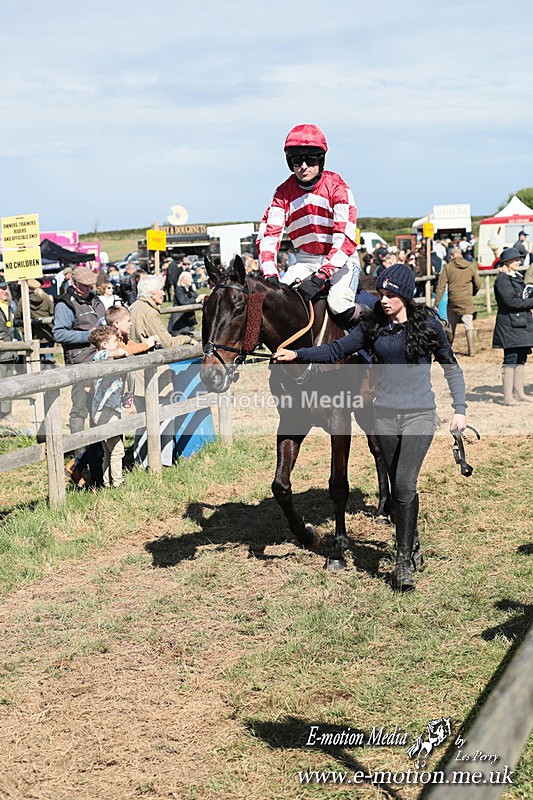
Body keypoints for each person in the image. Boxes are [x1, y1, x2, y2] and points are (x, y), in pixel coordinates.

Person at [274, 263, 467, 592]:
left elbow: (451, 366)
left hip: (419, 413)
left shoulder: (428, 325)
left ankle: (403, 561)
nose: (384, 299)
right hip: (384, 415)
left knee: (404, 485)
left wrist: (459, 410)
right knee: (396, 482)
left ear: (405, 296)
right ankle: (413, 539)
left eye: (391, 294)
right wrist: (298, 354)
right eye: (381, 293)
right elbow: (337, 349)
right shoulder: (373, 325)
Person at [256, 124, 362, 328]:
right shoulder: (281, 193)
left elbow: (345, 241)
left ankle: (371, 329)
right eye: (297, 159)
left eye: (310, 158)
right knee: (277, 304)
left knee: (338, 305)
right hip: (305, 260)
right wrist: (271, 275)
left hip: (342, 261)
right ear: (290, 161)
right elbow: (268, 237)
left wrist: (321, 276)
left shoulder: (338, 188)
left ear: (320, 160)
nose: (303, 166)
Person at [129, 275, 195, 467]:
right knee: (165, 416)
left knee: (143, 420)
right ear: (151, 293)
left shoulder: (133, 307)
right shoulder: (149, 312)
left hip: (136, 372)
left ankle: (141, 462)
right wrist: (186, 339)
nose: (164, 293)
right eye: (161, 290)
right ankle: (163, 462)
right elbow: (167, 343)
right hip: (153, 373)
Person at [53, 266, 105, 486]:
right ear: (73, 283)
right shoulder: (64, 304)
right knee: (80, 410)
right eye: (83, 286)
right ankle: (78, 455)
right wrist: (89, 335)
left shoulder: (95, 301)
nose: (86, 290)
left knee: (99, 411)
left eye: (89, 286)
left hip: (101, 361)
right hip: (80, 363)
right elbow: (59, 333)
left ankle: (87, 462)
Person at [88, 325, 128, 488]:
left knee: (108, 451)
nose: (117, 344)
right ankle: (117, 483)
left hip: (107, 410)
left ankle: (107, 483)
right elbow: (120, 352)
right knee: (118, 450)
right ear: (104, 344)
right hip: (106, 411)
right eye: (114, 341)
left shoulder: (105, 357)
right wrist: (122, 349)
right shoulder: (101, 355)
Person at [492, 247, 533, 405]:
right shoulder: (503, 279)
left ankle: (519, 392)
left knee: (521, 357)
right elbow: (511, 302)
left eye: (519, 259)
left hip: (521, 323)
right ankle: (507, 396)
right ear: (507, 262)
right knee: (511, 358)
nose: (519, 261)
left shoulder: (517, 277)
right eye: (515, 259)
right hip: (509, 324)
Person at [434, 247, 481, 356]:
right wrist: (473, 292)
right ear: (461, 255)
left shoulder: (448, 267)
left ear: (451, 256)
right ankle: (472, 350)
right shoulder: (469, 266)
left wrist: (436, 303)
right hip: (467, 300)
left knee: (450, 326)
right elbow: (478, 283)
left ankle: (448, 349)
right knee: (469, 325)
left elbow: (441, 287)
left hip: (453, 301)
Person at [13, 279, 55, 364]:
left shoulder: (24, 300)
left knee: (34, 361)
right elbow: (53, 312)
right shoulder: (46, 297)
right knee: (48, 359)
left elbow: (17, 316)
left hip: (32, 335)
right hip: (47, 334)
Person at [0, 276, 16, 423]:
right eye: (2, 288)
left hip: (9, 352)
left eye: (6, 287)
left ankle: (6, 413)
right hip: (1, 352)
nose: (6, 291)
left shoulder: (8, 305)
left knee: (8, 382)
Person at [168, 271, 202, 336]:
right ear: (182, 279)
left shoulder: (190, 289)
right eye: (189, 278)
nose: (191, 280)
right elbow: (183, 302)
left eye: (191, 278)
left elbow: (197, 298)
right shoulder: (179, 289)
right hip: (179, 319)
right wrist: (196, 300)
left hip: (188, 318)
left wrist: (201, 298)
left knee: (190, 337)